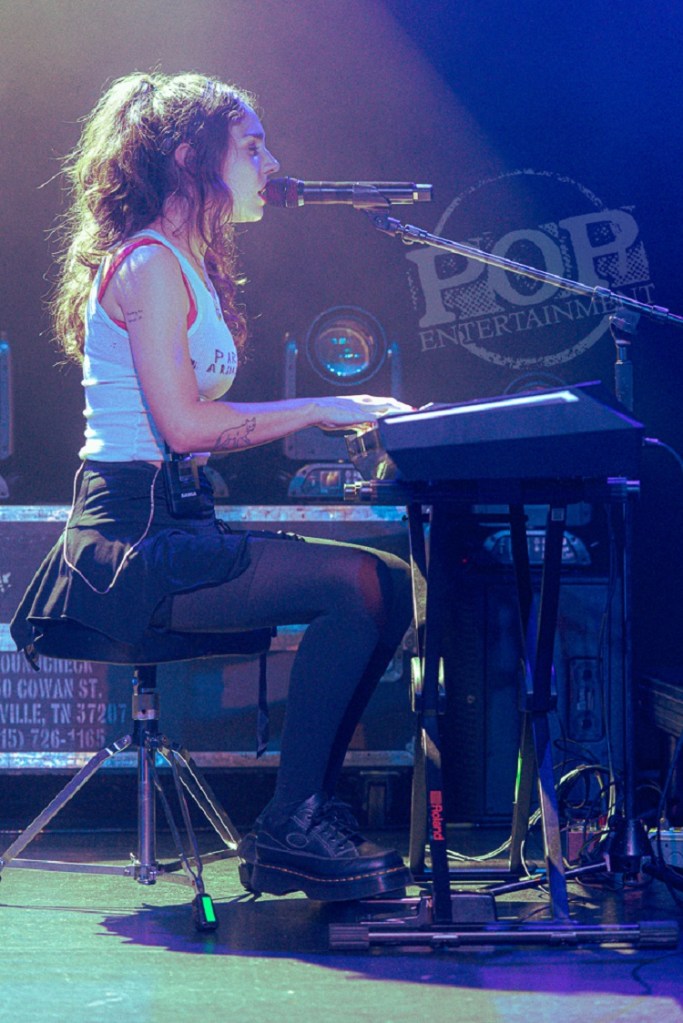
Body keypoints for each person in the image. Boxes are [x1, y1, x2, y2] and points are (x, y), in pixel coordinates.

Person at [10, 71, 415, 902]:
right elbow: (186, 425)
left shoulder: (187, 264)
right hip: (131, 538)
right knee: (359, 584)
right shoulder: (148, 265)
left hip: (175, 518)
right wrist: (322, 406)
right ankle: (292, 822)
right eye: (252, 147)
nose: (271, 164)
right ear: (192, 158)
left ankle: (301, 816)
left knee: (385, 585)